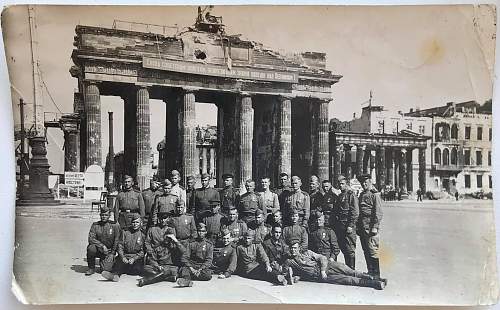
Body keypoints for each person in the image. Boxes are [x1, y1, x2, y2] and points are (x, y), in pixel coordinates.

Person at [283, 241, 386, 290]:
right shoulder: (289, 261)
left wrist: (323, 270)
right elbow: (285, 272)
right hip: (321, 276)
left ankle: (377, 278)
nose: (293, 250)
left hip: (328, 266)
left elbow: (322, 258)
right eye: (291, 248)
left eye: (295, 248)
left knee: (351, 271)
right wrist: (293, 277)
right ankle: (375, 284)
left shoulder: (308, 253)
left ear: (299, 248)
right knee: (348, 280)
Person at [139, 215, 186, 287]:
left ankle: (146, 281)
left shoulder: (171, 231)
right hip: (157, 263)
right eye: (161, 218)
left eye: (165, 218)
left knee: (174, 270)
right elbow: (147, 244)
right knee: (145, 268)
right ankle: (168, 277)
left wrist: (174, 240)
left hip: (168, 264)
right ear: (158, 219)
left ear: (168, 219)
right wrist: (157, 265)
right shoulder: (152, 229)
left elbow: (183, 251)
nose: (163, 220)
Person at [101, 213, 145, 281]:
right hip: (125, 256)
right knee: (118, 264)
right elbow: (120, 246)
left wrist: (134, 258)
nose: (135, 224)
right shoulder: (125, 232)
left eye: (137, 222)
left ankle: (125, 270)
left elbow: (143, 251)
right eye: (133, 222)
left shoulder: (142, 234)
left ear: (140, 223)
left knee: (137, 269)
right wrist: (122, 257)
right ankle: (114, 276)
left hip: (135, 258)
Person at [357, 174, 383, 278]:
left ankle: (376, 274)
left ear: (370, 182)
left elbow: (378, 212)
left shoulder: (375, 194)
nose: (364, 184)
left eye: (366, 182)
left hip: (371, 226)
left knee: (373, 249)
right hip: (363, 227)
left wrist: (375, 226)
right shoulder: (362, 194)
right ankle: (370, 271)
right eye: (362, 183)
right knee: (366, 249)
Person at [332, 175, 358, 270]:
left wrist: (351, 225)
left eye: (342, 184)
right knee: (343, 248)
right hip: (340, 226)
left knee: (350, 249)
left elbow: (355, 212)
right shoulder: (340, 196)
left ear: (346, 184)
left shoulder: (351, 195)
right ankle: (347, 270)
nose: (341, 186)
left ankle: (351, 270)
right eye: (339, 184)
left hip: (348, 226)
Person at [85, 206, 121, 276]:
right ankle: (91, 268)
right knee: (91, 248)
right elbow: (91, 239)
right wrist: (102, 246)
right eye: (102, 215)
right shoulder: (95, 225)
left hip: (109, 251)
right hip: (98, 249)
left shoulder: (114, 225)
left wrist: (112, 253)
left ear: (109, 216)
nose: (104, 217)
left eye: (106, 215)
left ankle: (107, 262)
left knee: (105, 270)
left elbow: (117, 240)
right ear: (100, 215)